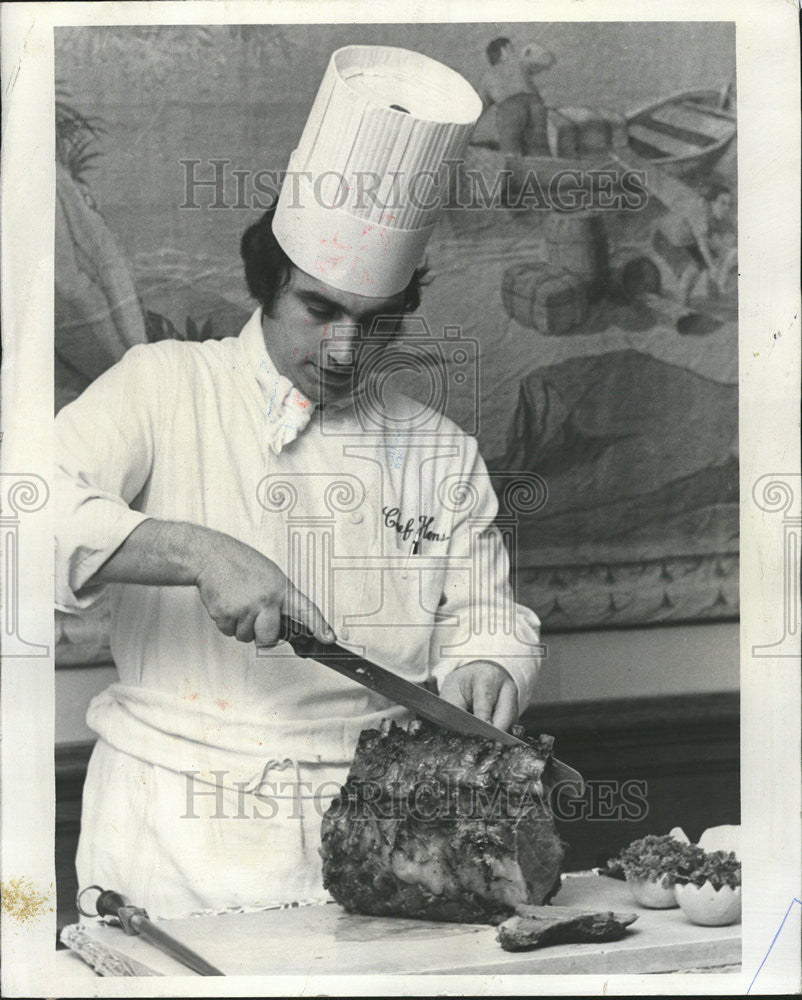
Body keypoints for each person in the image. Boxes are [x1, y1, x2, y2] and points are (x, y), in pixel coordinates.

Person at [55, 45, 543, 919]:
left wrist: (489, 665)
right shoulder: (160, 383)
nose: (347, 351)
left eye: (375, 322)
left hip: (381, 843)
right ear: (267, 285)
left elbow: (488, 617)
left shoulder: (440, 449)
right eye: (321, 312)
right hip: (168, 836)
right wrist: (193, 550)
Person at [651, 179, 737, 304]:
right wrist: (713, 267)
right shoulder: (699, 212)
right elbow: (702, 245)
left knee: (714, 256)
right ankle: (681, 305)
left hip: (687, 239)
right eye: (723, 203)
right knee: (692, 270)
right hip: (665, 239)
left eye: (729, 204)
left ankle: (714, 297)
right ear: (710, 202)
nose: (726, 208)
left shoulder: (713, 212)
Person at [479, 37, 555, 156]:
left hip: (509, 108)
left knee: (510, 150)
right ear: (504, 51)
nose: (514, 52)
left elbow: (479, 107)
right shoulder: (519, 63)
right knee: (539, 147)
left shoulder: (487, 76)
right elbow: (546, 61)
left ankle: (514, 169)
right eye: (512, 49)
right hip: (535, 104)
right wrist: (532, 50)